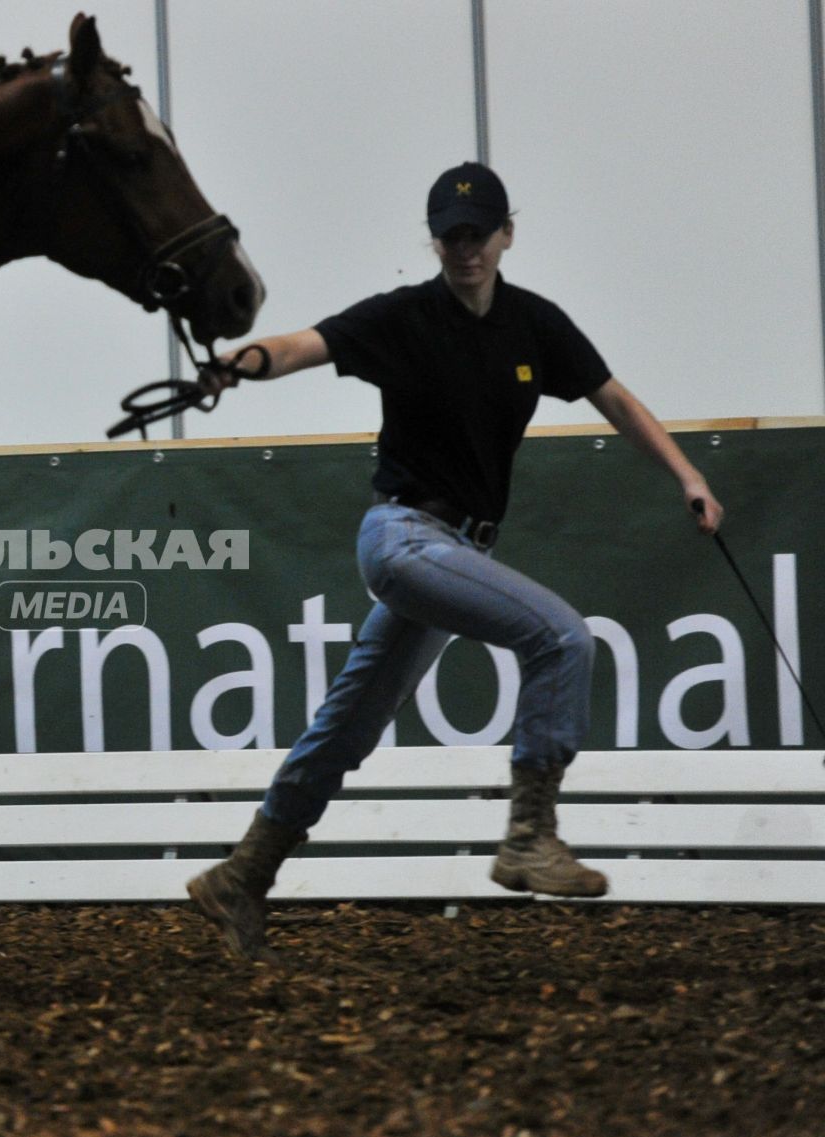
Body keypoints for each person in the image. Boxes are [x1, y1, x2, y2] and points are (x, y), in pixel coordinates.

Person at [186, 161, 723, 962]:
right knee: (564, 639)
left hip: (456, 552)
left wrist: (688, 475)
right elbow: (305, 344)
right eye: (451, 236)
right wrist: (240, 364)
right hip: (403, 540)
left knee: (348, 728)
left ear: (507, 235)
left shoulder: (536, 326)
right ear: (434, 241)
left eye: (479, 233)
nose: (465, 248)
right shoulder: (404, 317)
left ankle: (242, 873)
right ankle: (529, 837)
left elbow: (615, 398)